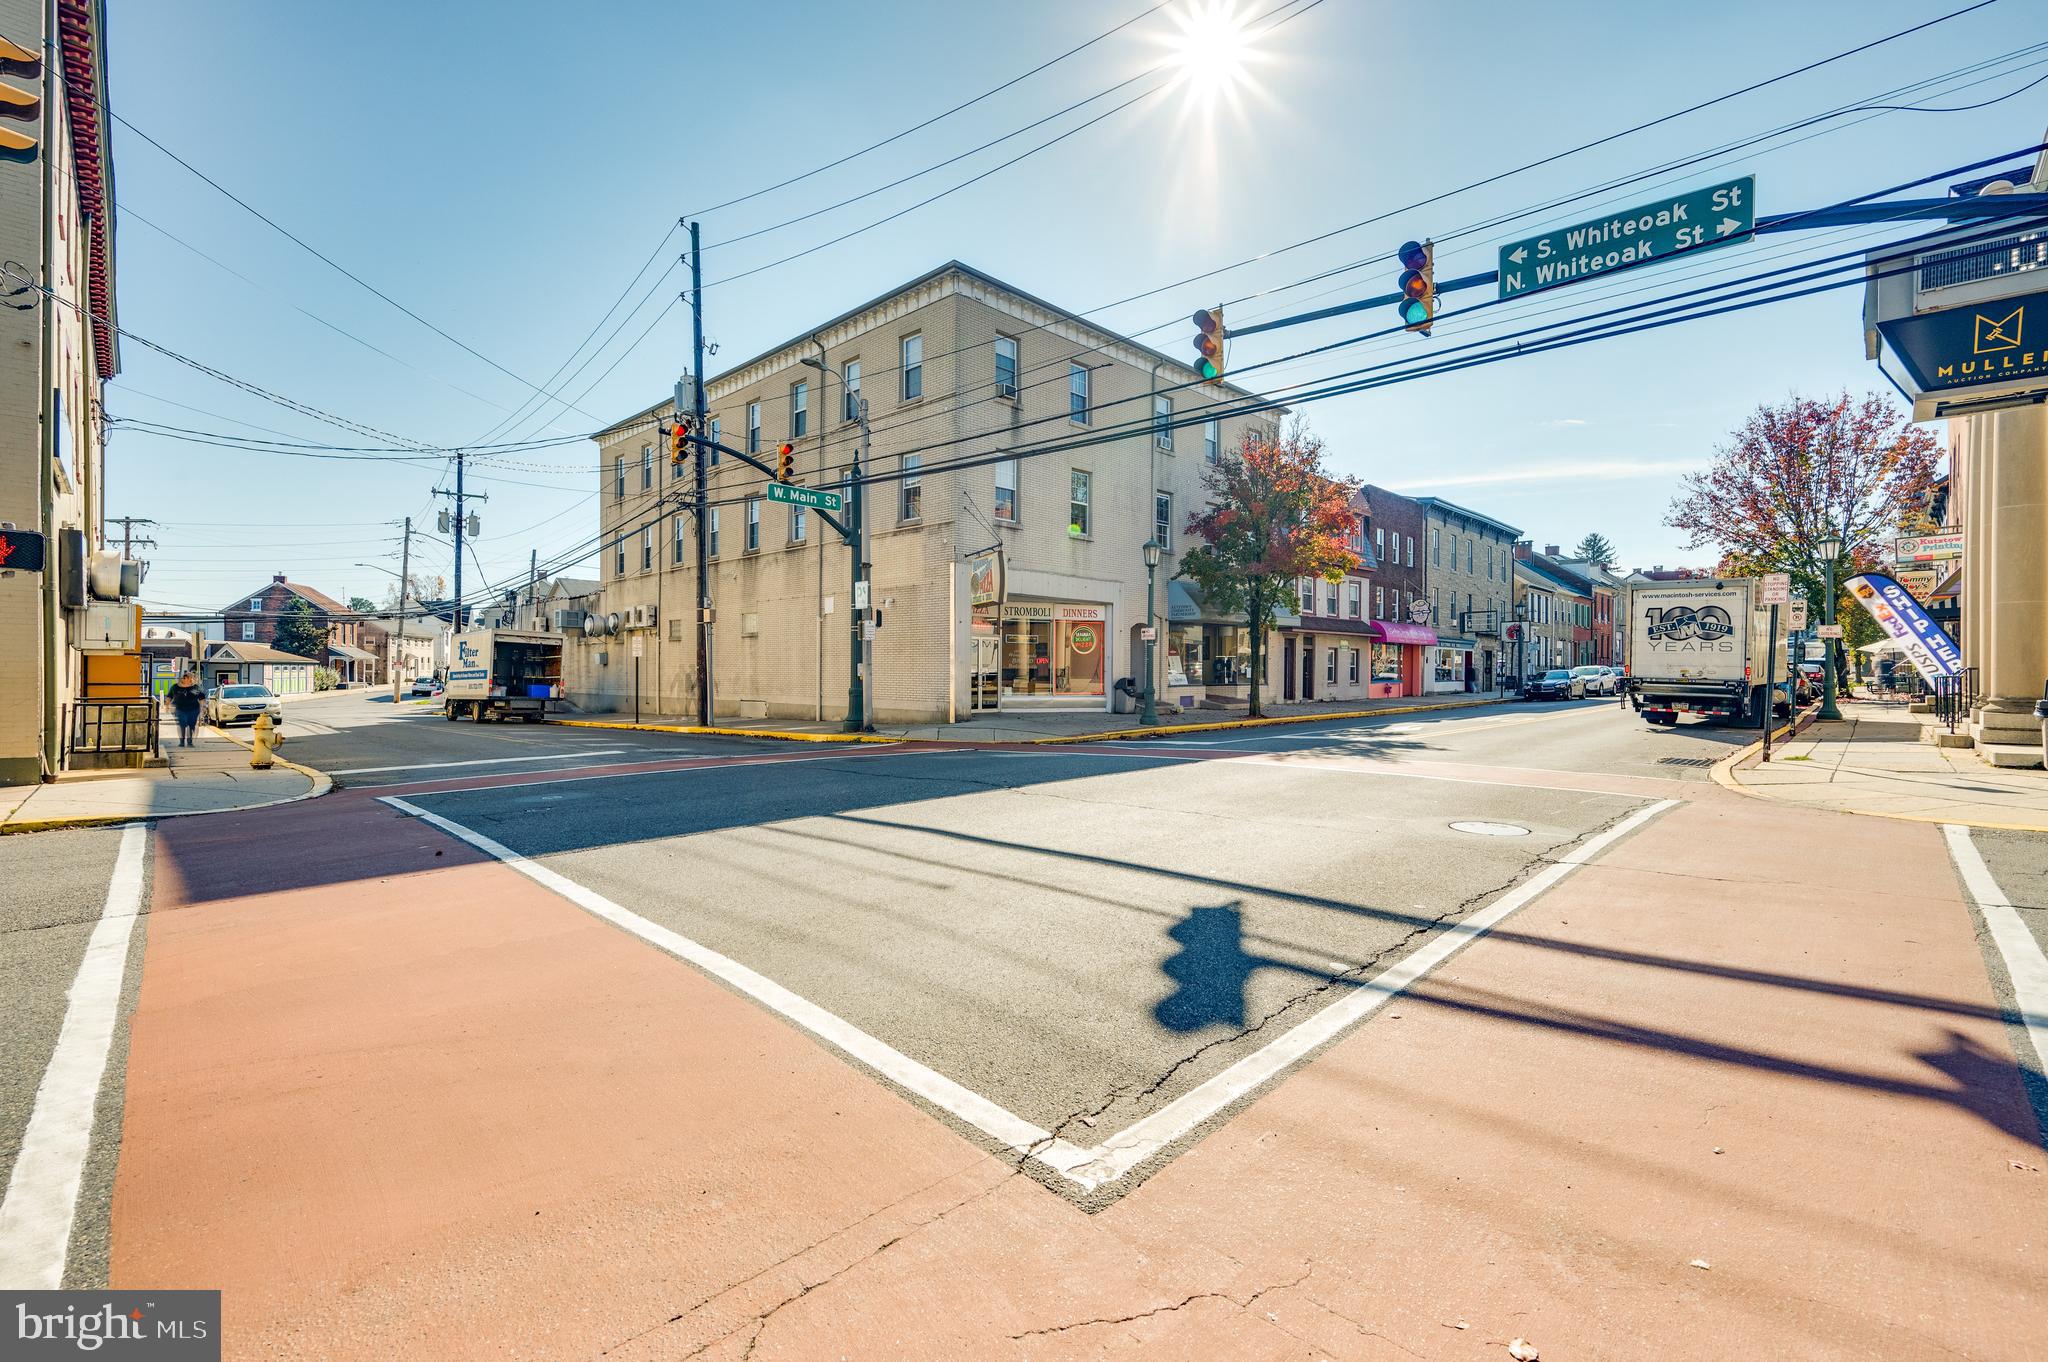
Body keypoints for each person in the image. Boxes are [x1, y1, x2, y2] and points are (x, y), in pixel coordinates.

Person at [167, 671, 205, 747]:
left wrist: (202, 708)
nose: (191, 679)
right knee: (182, 724)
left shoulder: (195, 687)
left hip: (193, 709)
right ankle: (181, 741)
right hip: (180, 709)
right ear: (184, 678)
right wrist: (167, 706)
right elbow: (169, 697)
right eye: (189, 678)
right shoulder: (175, 687)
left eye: (191, 678)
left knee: (191, 725)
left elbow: (201, 698)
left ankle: (190, 741)